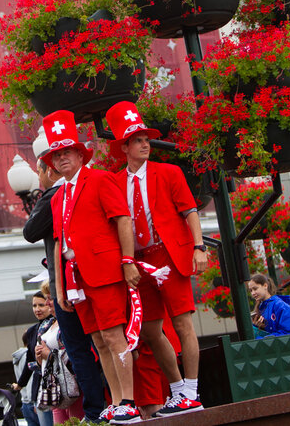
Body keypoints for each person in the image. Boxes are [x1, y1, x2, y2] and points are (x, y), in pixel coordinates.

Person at [106, 101, 207, 417]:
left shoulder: (170, 172)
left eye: (146, 139)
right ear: (124, 147)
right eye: (137, 140)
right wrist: (125, 261)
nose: (145, 144)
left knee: (183, 322)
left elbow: (190, 211)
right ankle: (178, 390)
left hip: (170, 254)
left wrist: (199, 247)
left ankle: (191, 390)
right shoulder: (114, 181)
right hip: (138, 261)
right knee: (150, 329)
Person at [41, 110, 142, 424]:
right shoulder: (58, 197)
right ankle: (115, 400)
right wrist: (59, 290)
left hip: (105, 271)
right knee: (98, 342)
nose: (62, 159)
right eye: (57, 155)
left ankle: (129, 400)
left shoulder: (100, 179)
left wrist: (127, 262)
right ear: (52, 162)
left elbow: (123, 219)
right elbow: (58, 243)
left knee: (114, 337)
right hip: (76, 280)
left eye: (68, 152)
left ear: (80, 153)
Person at [23, 157, 106, 423]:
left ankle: (96, 411)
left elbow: (30, 231)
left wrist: (46, 197)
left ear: (49, 170)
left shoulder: (56, 194)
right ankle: (117, 402)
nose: (38, 179)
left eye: (38, 172)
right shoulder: (82, 187)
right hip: (95, 277)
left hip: (69, 286)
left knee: (83, 349)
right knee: (104, 344)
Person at [36, 282, 84, 423]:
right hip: (54, 389)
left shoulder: (71, 322)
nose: (47, 303)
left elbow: (76, 353)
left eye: (50, 298)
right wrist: (41, 358)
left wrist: (49, 356)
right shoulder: (48, 324)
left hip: (72, 387)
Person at [11, 291, 54, 426]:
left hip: (60, 384)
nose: (37, 309)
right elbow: (30, 364)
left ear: (49, 304)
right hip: (40, 388)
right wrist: (20, 384)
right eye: (34, 305)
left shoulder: (58, 325)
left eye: (41, 305)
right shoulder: (32, 331)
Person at [248, 273, 290, 338]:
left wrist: (263, 339)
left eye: (255, 289)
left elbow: (288, 333)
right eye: (251, 290)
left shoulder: (281, 306)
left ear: (265, 286)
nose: (253, 293)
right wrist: (257, 327)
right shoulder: (260, 308)